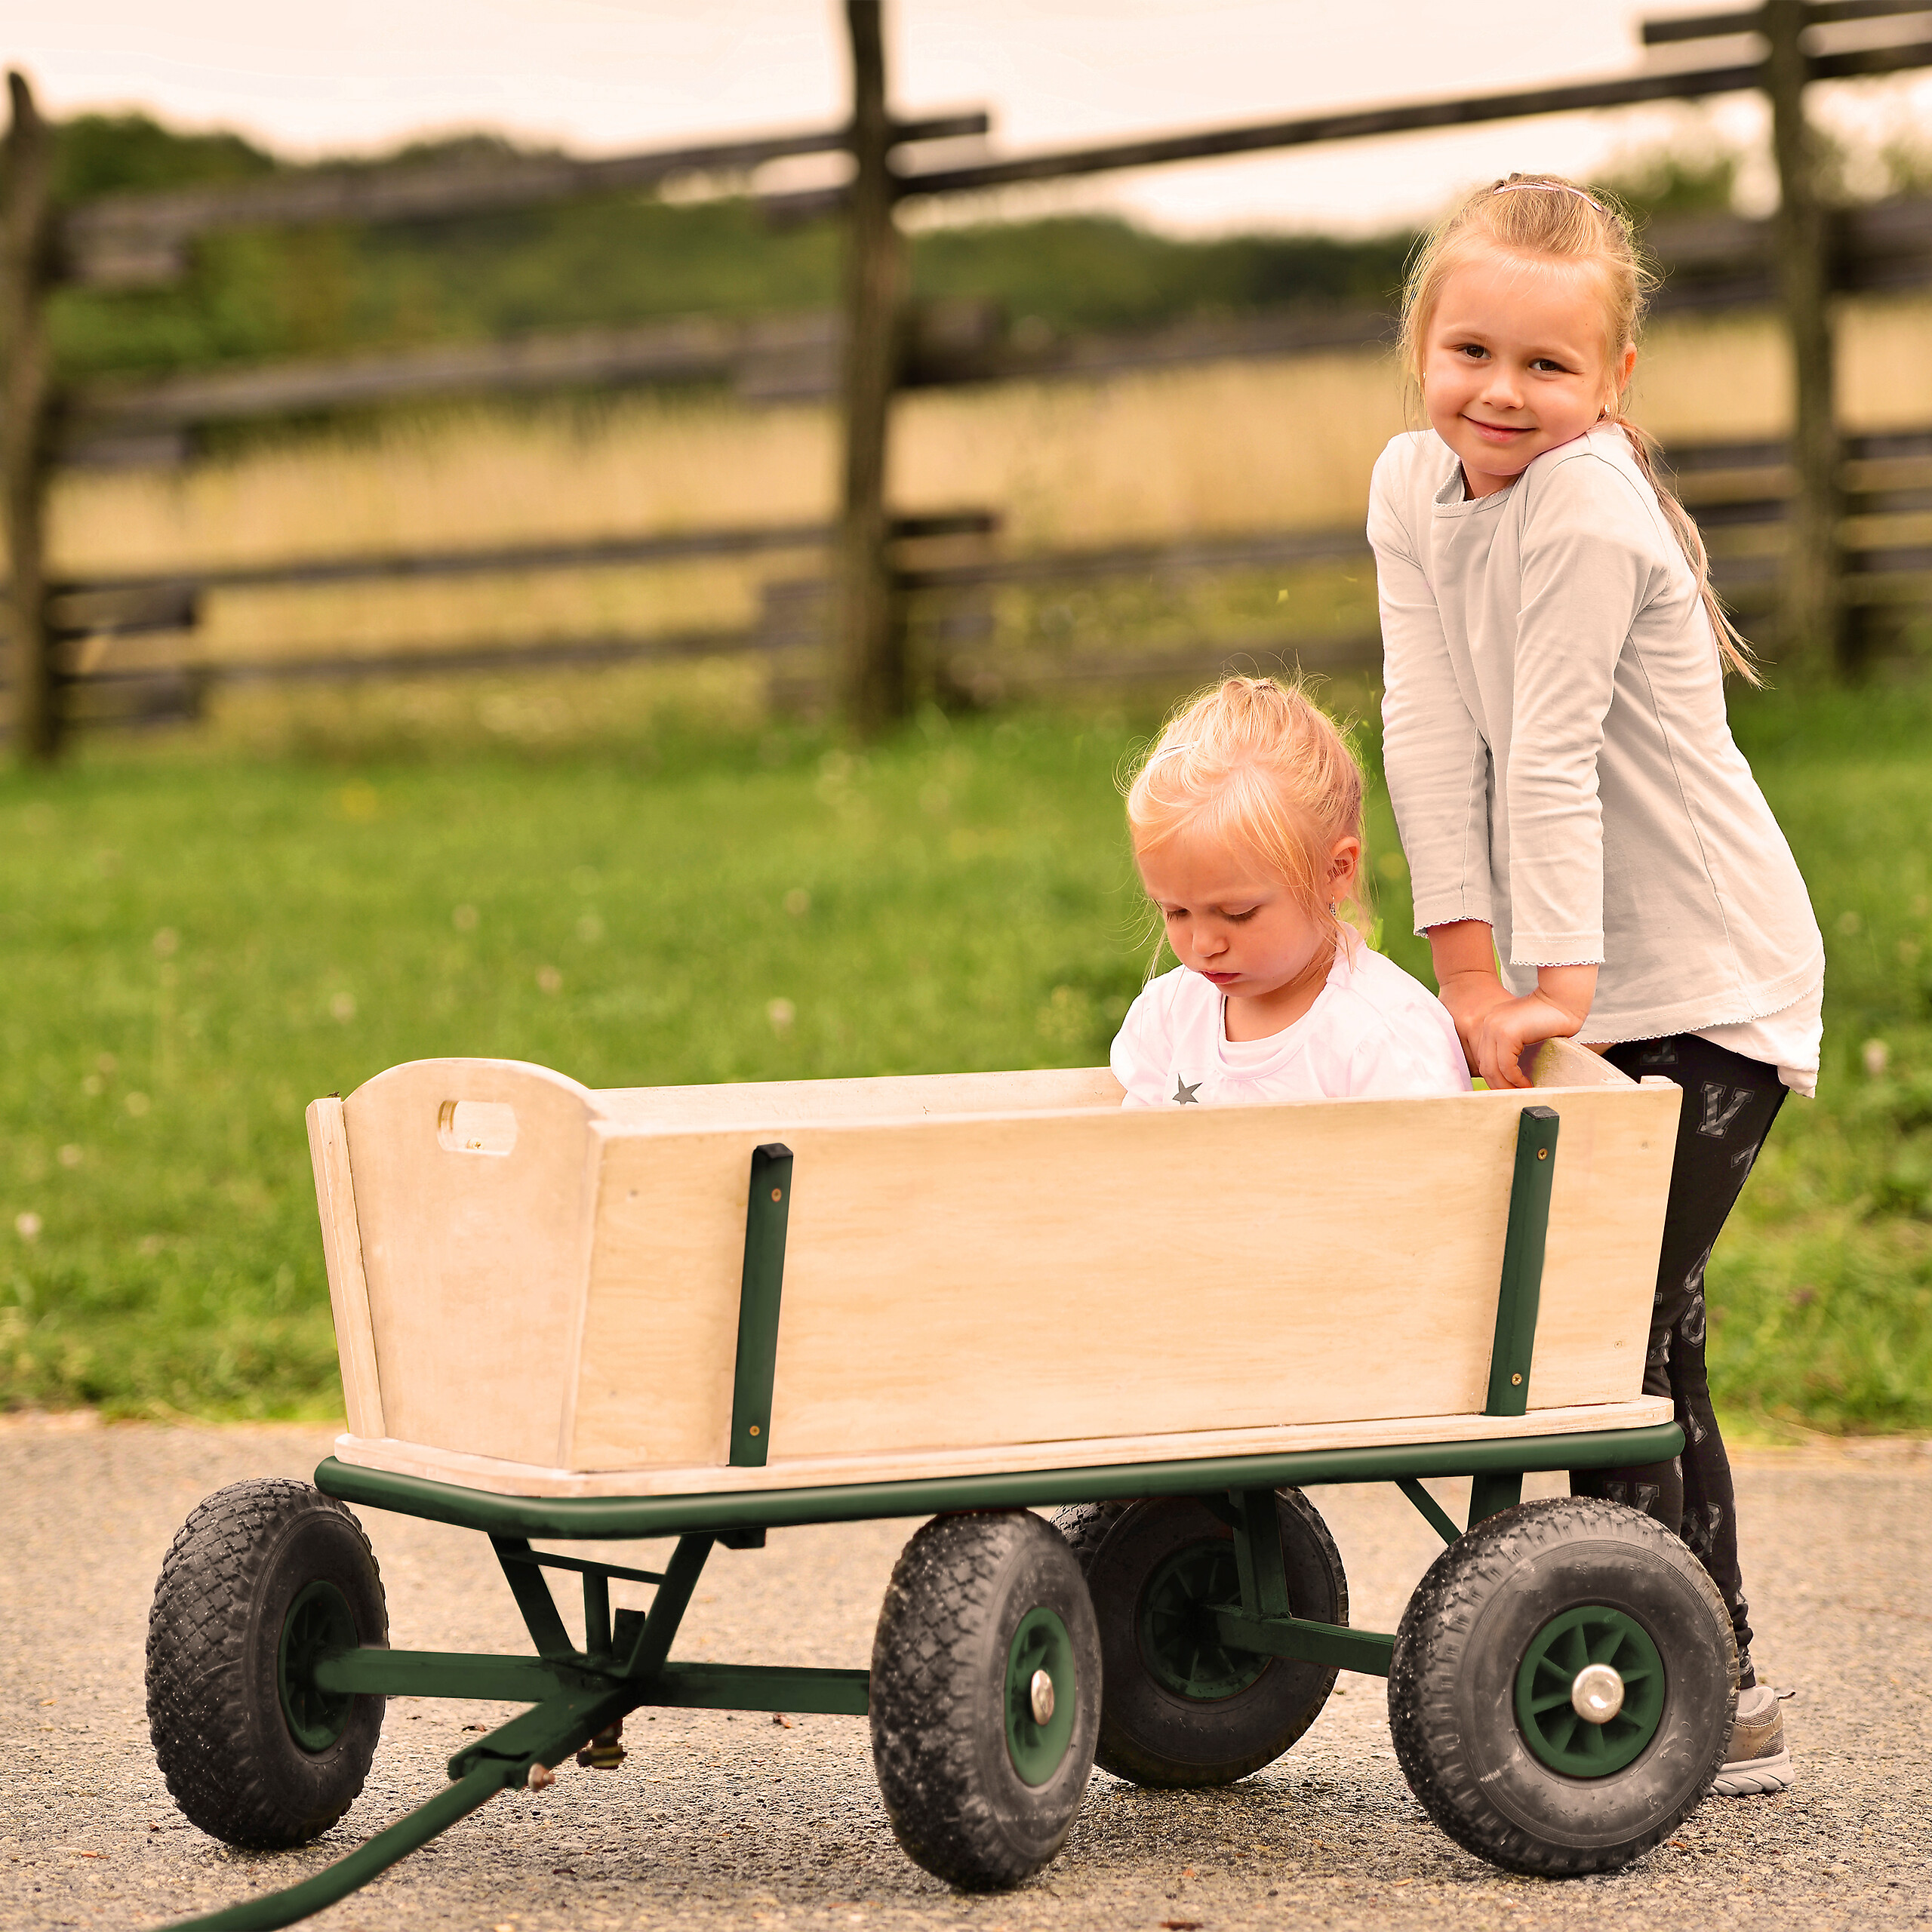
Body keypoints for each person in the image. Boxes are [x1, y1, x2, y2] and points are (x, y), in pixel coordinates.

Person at [1369, 172, 1823, 1795]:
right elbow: (1429, 730)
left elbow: (1549, 761)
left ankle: (1690, 1679)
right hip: (1587, 980)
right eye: (1469, 348)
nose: (1501, 393)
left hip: (1704, 977)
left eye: (1547, 367)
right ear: (1419, 343)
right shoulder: (1410, 489)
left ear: (1612, 382)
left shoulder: (1582, 505)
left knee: (1616, 1323)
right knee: (1629, 1332)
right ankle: (1699, 1670)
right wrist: (1465, 975)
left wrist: (1549, 991)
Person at [1109, 675, 1469, 1107]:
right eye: (1175, 912)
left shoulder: (1382, 1038)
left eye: (1238, 913)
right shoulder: (1169, 1016)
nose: (1203, 944)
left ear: (1334, 870)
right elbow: (1138, 1155)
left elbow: (1432, 1166)